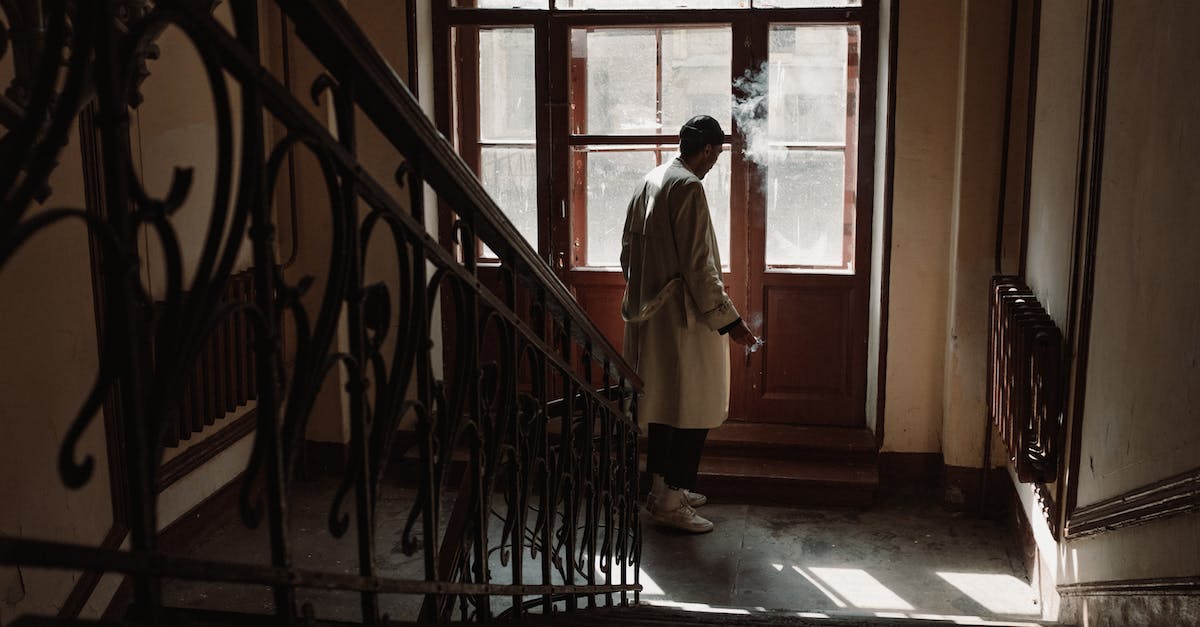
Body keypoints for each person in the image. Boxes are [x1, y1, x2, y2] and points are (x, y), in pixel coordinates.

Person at [620, 115, 759, 533]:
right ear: (709, 150)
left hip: (654, 317)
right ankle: (670, 498)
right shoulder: (690, 187)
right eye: (715, 155)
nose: (714, 164)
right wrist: (730, 321)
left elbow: (627, 253)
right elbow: (701, 267)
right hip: (687, 319)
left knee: (665, 406)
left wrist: (650, 289)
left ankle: (662, 487)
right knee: (693, 409)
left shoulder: (653, 177)